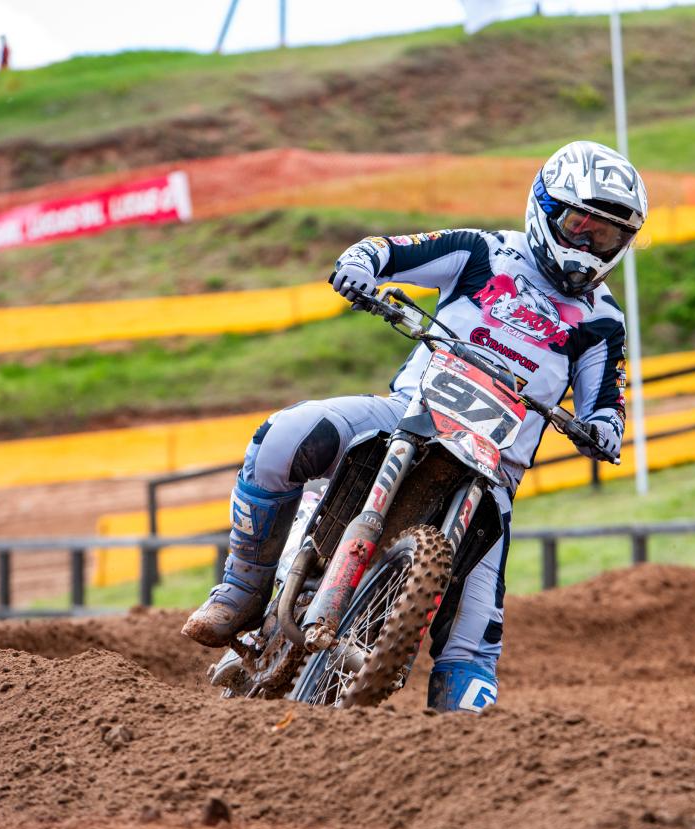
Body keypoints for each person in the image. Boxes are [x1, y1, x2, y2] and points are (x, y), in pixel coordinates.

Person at [181, 140, 646, 712]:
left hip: (491, 475)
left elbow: (607, 404)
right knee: (283, 436)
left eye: (606, 237)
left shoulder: (602, 322)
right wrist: (359, 268)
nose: (588, 247)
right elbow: (386, 250)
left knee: (475, 641)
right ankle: (242, 589)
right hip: (407, 416)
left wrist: (602, 431)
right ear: (545, 208)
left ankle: (455, 748)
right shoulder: (484, 252)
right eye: (579, 226)